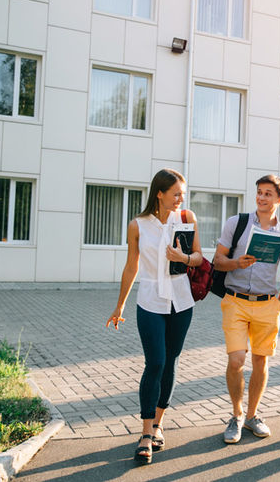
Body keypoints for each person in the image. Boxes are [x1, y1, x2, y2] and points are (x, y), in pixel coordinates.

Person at [106, 168, 201, 464]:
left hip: (181, 300)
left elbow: (198, 256)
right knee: (155, 362)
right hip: (149, 300)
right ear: (159, 193)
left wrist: (182, 258)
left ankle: (159, 424)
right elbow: (131, 266)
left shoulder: (187, 218)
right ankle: (145, 432)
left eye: (183, 194)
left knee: (170, 361)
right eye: (176, 194)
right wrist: (120, 304)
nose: (180, 199)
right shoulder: (137, 225)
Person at [213, 174, 280, 444]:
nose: (261, 198)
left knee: (261, 361)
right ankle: (236, 416)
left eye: (267, 193)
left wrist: (278, 307)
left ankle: (252, 415)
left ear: (279, 199)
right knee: (236, 360)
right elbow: (217, 261)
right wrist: (237, 264)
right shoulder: (236, 223)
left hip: (266, 305)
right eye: (259, 192)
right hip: (235, 301)